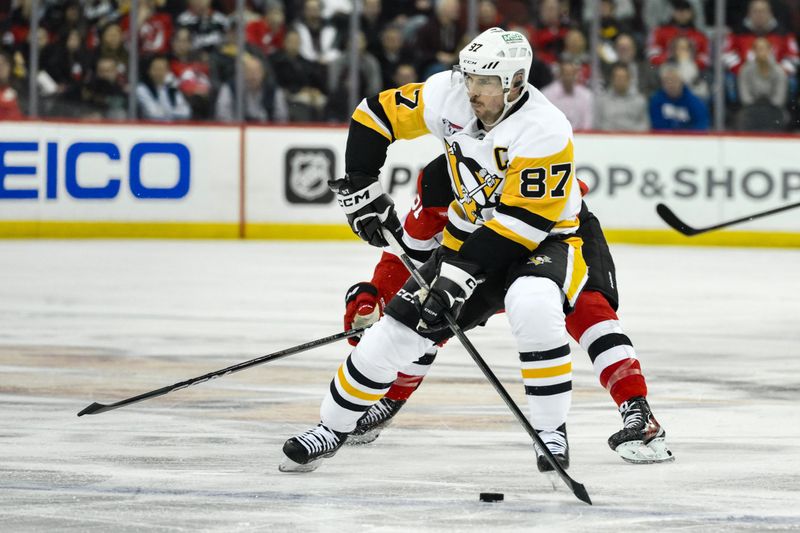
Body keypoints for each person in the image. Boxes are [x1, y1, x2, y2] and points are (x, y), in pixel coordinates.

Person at [281, 27, 588, 474]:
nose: (471, 90)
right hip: (468, 239)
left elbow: (523, 225)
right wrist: (362, 186)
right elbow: (373, 115)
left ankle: (550, 433)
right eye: (469, 77)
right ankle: (331, 428)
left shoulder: (545, 129)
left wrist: (458, 276)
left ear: (515, 82)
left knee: (533, 304)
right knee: (395, 332)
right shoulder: (449, 94)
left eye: (484, 81)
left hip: (541, 242)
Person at [649, 62, 709, 131]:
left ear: (681, 81)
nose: (671, 84)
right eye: (667, 81)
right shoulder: (656, 101)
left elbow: (701, 126)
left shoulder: (695, 102)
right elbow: (657, 126)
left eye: (674, 80)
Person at [136, 54, 191, 121]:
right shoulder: (142, 89)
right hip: (151, 128)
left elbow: (185, 112)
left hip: (172, 128)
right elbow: (153, 113)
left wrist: (167, 113)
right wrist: (173, 112)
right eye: (157, 69)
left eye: (163, 69)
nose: (160, 72)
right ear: (149, 70)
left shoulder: (172, 88)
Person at [596, 63, 649, 131]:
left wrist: (626, 134)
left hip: (633, 140)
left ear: (629, 79)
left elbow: (645, 125)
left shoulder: (639, 101)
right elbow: (597, 125)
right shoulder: (602, 101)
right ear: (612, 79)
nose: (621, 80)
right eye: (618, 77)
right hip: (608, 139)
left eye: (624, 77)